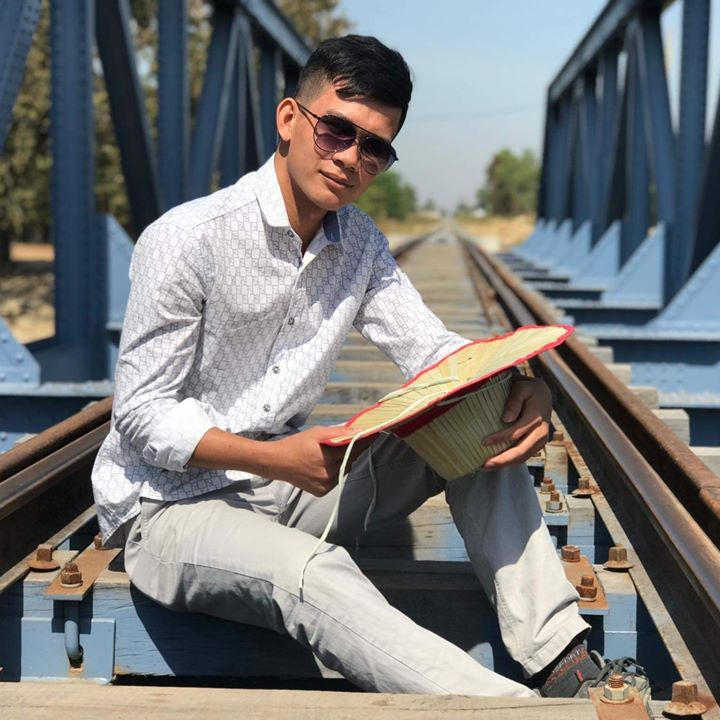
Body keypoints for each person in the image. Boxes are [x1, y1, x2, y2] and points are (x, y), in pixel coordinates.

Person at [91, 33, 619, 698]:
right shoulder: (189, 239)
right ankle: (512, 712)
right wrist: (274, 459)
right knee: (313, 573)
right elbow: (142, 415)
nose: (350, 158)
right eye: (336, 130)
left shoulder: (359, 243)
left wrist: (524, 386)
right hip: (170, 510)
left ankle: (559, 656)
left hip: (288, 490)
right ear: (290, 119)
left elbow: (432, 348)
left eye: (375, 147)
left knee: (479, 421)